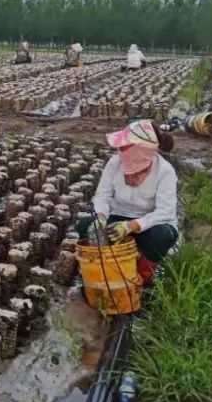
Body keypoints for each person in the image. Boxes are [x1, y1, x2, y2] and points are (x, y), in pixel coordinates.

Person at [76, 120, 178, 284]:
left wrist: (132, 226)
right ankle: (107, 266)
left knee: (163, 236)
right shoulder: (115, 163)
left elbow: (165, 212)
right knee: (85, 225)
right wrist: (101, 216)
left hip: (148, 224)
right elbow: (103, 195)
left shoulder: (165, 171)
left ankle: (141, 277)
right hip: (118, 218)